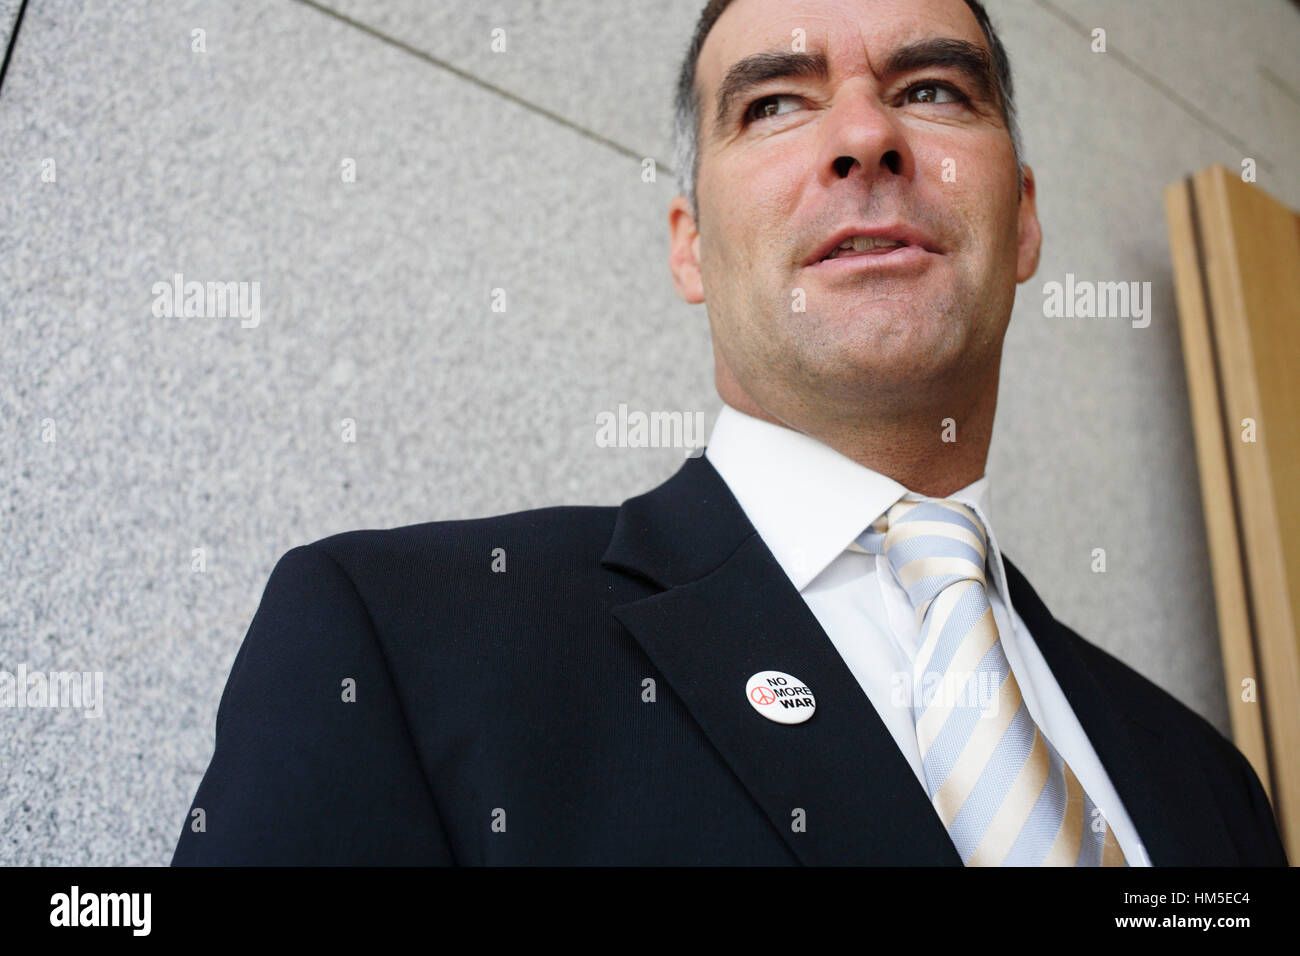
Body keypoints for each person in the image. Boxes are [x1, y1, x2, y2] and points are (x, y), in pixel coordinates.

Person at [171, 0, 1288, 866]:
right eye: (774, 104)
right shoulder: (397, 644)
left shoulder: (1211, 785)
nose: (864, 135)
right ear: (690, 245)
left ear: (1024, 215)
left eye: (935, 89)